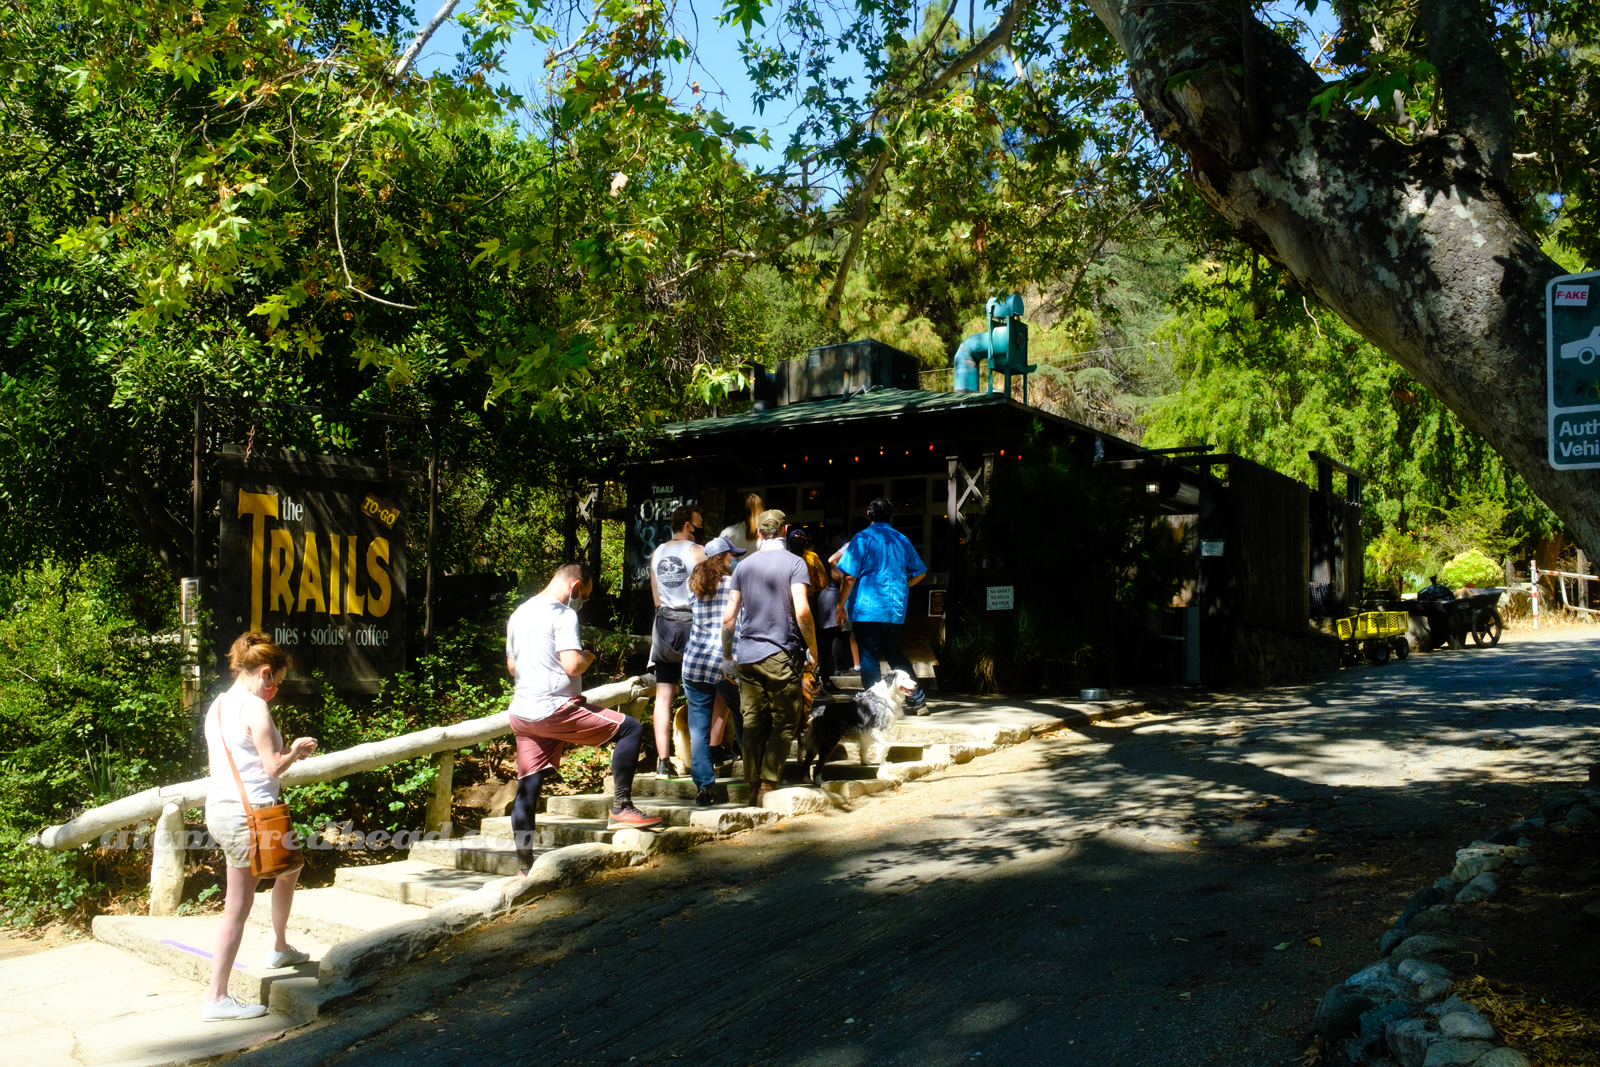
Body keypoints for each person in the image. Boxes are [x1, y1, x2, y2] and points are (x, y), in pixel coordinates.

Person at [507, 563, 661, 874]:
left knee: (528, 785)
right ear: (576, 586)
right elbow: (572, 665)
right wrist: (588, 657)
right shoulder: (564, 614)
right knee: (629, 728)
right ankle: (621, 807)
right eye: (585, 596)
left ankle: (524, 866)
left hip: (523, 713)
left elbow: (512, 667)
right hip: (554, 708)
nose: (583, 602)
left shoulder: (519, 612)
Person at [201, 631, 318, 1022]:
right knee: (237, 906)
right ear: (265, 673)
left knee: (291, 867)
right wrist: (295, 751)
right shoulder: (254, 707)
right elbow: (271, 766)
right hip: (250, 814)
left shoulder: (217, 705)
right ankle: (217, 998)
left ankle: (280, 946)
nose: (276, 692)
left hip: (221, 808)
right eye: (277, 683)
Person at [722, 509, 818, 804]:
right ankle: (767, 782)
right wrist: (813, 648)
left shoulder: (743, 567)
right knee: (785, 721)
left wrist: (728, 657)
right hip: (780, 654)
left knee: (751, 721)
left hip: (747, 655)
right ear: (786, 530)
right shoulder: (795, 563)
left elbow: (728, 619)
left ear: (759, 532)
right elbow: (802, 611)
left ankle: (752, 786)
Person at [837, 497, 929, 713]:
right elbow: (921, 571)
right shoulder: (902, 539)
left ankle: (875, 707)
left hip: (866, 610)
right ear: (891, 516)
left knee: (869, 657)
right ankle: (918, 701)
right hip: (894, 610)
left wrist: (839, 606)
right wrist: (905, 584)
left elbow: (849, 577)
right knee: (895, 655)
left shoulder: (861, 539)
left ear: (869, 514)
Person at [681, 536, 745, 806]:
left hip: (694, 661)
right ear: (726, 557)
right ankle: (754, 775)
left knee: (698, 729)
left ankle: (704, 787)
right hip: (724, 661)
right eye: (732, 555)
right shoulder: (734, 583)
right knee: (745, 715)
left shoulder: (694, 583)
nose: (735, 559)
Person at [648, 504, 706, 778]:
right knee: (699, 693)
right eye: (698, 524)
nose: (699, 530)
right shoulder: (696, 551)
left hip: (663, 625)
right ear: (686, 525)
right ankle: (704, 756)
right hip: (692, 625)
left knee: (663, 696)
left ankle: (663, 762)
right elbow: (707, 591)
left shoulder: (657, 552)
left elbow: (656, 598)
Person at [787, 527, 840, 690]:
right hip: (808, 602)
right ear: (805, 543)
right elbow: (824, 583)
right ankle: (825, 680)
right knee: (815, 643)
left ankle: (793, 681)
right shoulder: (811, 557)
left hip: (787, 603)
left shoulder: (785, 558)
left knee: (790, 643)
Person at [718, 492, 763, 558]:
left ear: (740, 509)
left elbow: (717, 556)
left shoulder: (728, 532)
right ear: (760, 509)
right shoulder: (767, 534)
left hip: (734, 568)